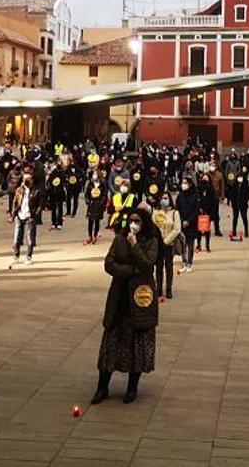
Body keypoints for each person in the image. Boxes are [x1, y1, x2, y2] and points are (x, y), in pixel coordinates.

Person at [92, 209, 159, 405]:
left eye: (137, 221)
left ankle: (132, 387)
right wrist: (130, 271)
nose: (133, 224)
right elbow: (109, 263)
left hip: (140, 298)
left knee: (138, 343)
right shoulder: (120, 239)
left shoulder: (151, 241)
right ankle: (102, 386)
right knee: (111, 342)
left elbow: (148, 265)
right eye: (130, 220)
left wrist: (135, 246)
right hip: (120, 297)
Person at [153, 193, 181, 300]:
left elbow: (177, 229)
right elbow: (153, 227)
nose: (164, 200)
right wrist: (159, 241)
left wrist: (167, 240)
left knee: (169, 267)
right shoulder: (155, 212)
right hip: (158, 244)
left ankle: (168, 288)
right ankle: (158, 288)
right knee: (158, 267)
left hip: (169, 244)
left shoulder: (174, 213)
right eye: (162, 198)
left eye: (166, 198)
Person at [12, 172, 41, 265]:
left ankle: (29, 257)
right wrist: (14, 214)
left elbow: (40, 205)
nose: (26, 181)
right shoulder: (19, 190)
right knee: (17, 237)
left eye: (28, 179)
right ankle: (16, 256)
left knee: (30, 238)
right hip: (19, 216)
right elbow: (15, 202)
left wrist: (35, 215)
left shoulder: (36, 191)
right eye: (25, 179)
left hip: (29, 216)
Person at [176, 176, 199, 273]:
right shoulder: (180, 195)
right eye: (182, 183)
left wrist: (188, 221)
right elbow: (177, 209)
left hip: (192, 223)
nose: (183, 185)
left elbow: (196, 210)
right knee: (182, 244)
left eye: (185, 183)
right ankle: (184, 262)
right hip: (182, 222)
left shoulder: (195, 195)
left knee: (190, 244)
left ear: (190, 184)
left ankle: (189, 263)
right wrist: (181, 221)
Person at [85, 171, 107, 244]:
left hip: (99, 205)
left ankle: (95, 235)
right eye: (93, 174)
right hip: (91, 204)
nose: (94, 176)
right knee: (90, 221)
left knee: (97, 221)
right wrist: (88, 201)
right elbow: (87, 193)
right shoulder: (90, 184)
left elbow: (104, 194)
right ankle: (89, 236)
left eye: (95, 174)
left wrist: (101, 202)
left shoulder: (102, 184)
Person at [196, 173, 216, 252]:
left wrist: (210, 211)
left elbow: (213, 201)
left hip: (208, 211)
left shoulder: (211, 188)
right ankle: (198, 244)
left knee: (207, 229)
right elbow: (197, 199)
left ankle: (207, 245)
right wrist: (199, 208)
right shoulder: (198, 188)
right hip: (199, 211)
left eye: (206, 178)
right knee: (199, 230)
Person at [228, 172, 249, 238]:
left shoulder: (246, 185)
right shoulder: (234, 185)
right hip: (235, 204)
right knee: (235, 218)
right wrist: (232, 201)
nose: (240, 179)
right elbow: (231, 194)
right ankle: (234, 231)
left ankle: (246, 231)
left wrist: (245, 200)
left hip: (243, 204)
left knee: (244, 217)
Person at [47, 165, 66, 230]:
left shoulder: (62, 174)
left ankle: (59, 223)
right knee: (54, 209)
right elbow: (49, 183)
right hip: (53, 193)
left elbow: (64, 182)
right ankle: (54, 223)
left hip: (59, 193)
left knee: (59, 208)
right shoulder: (52, 174)